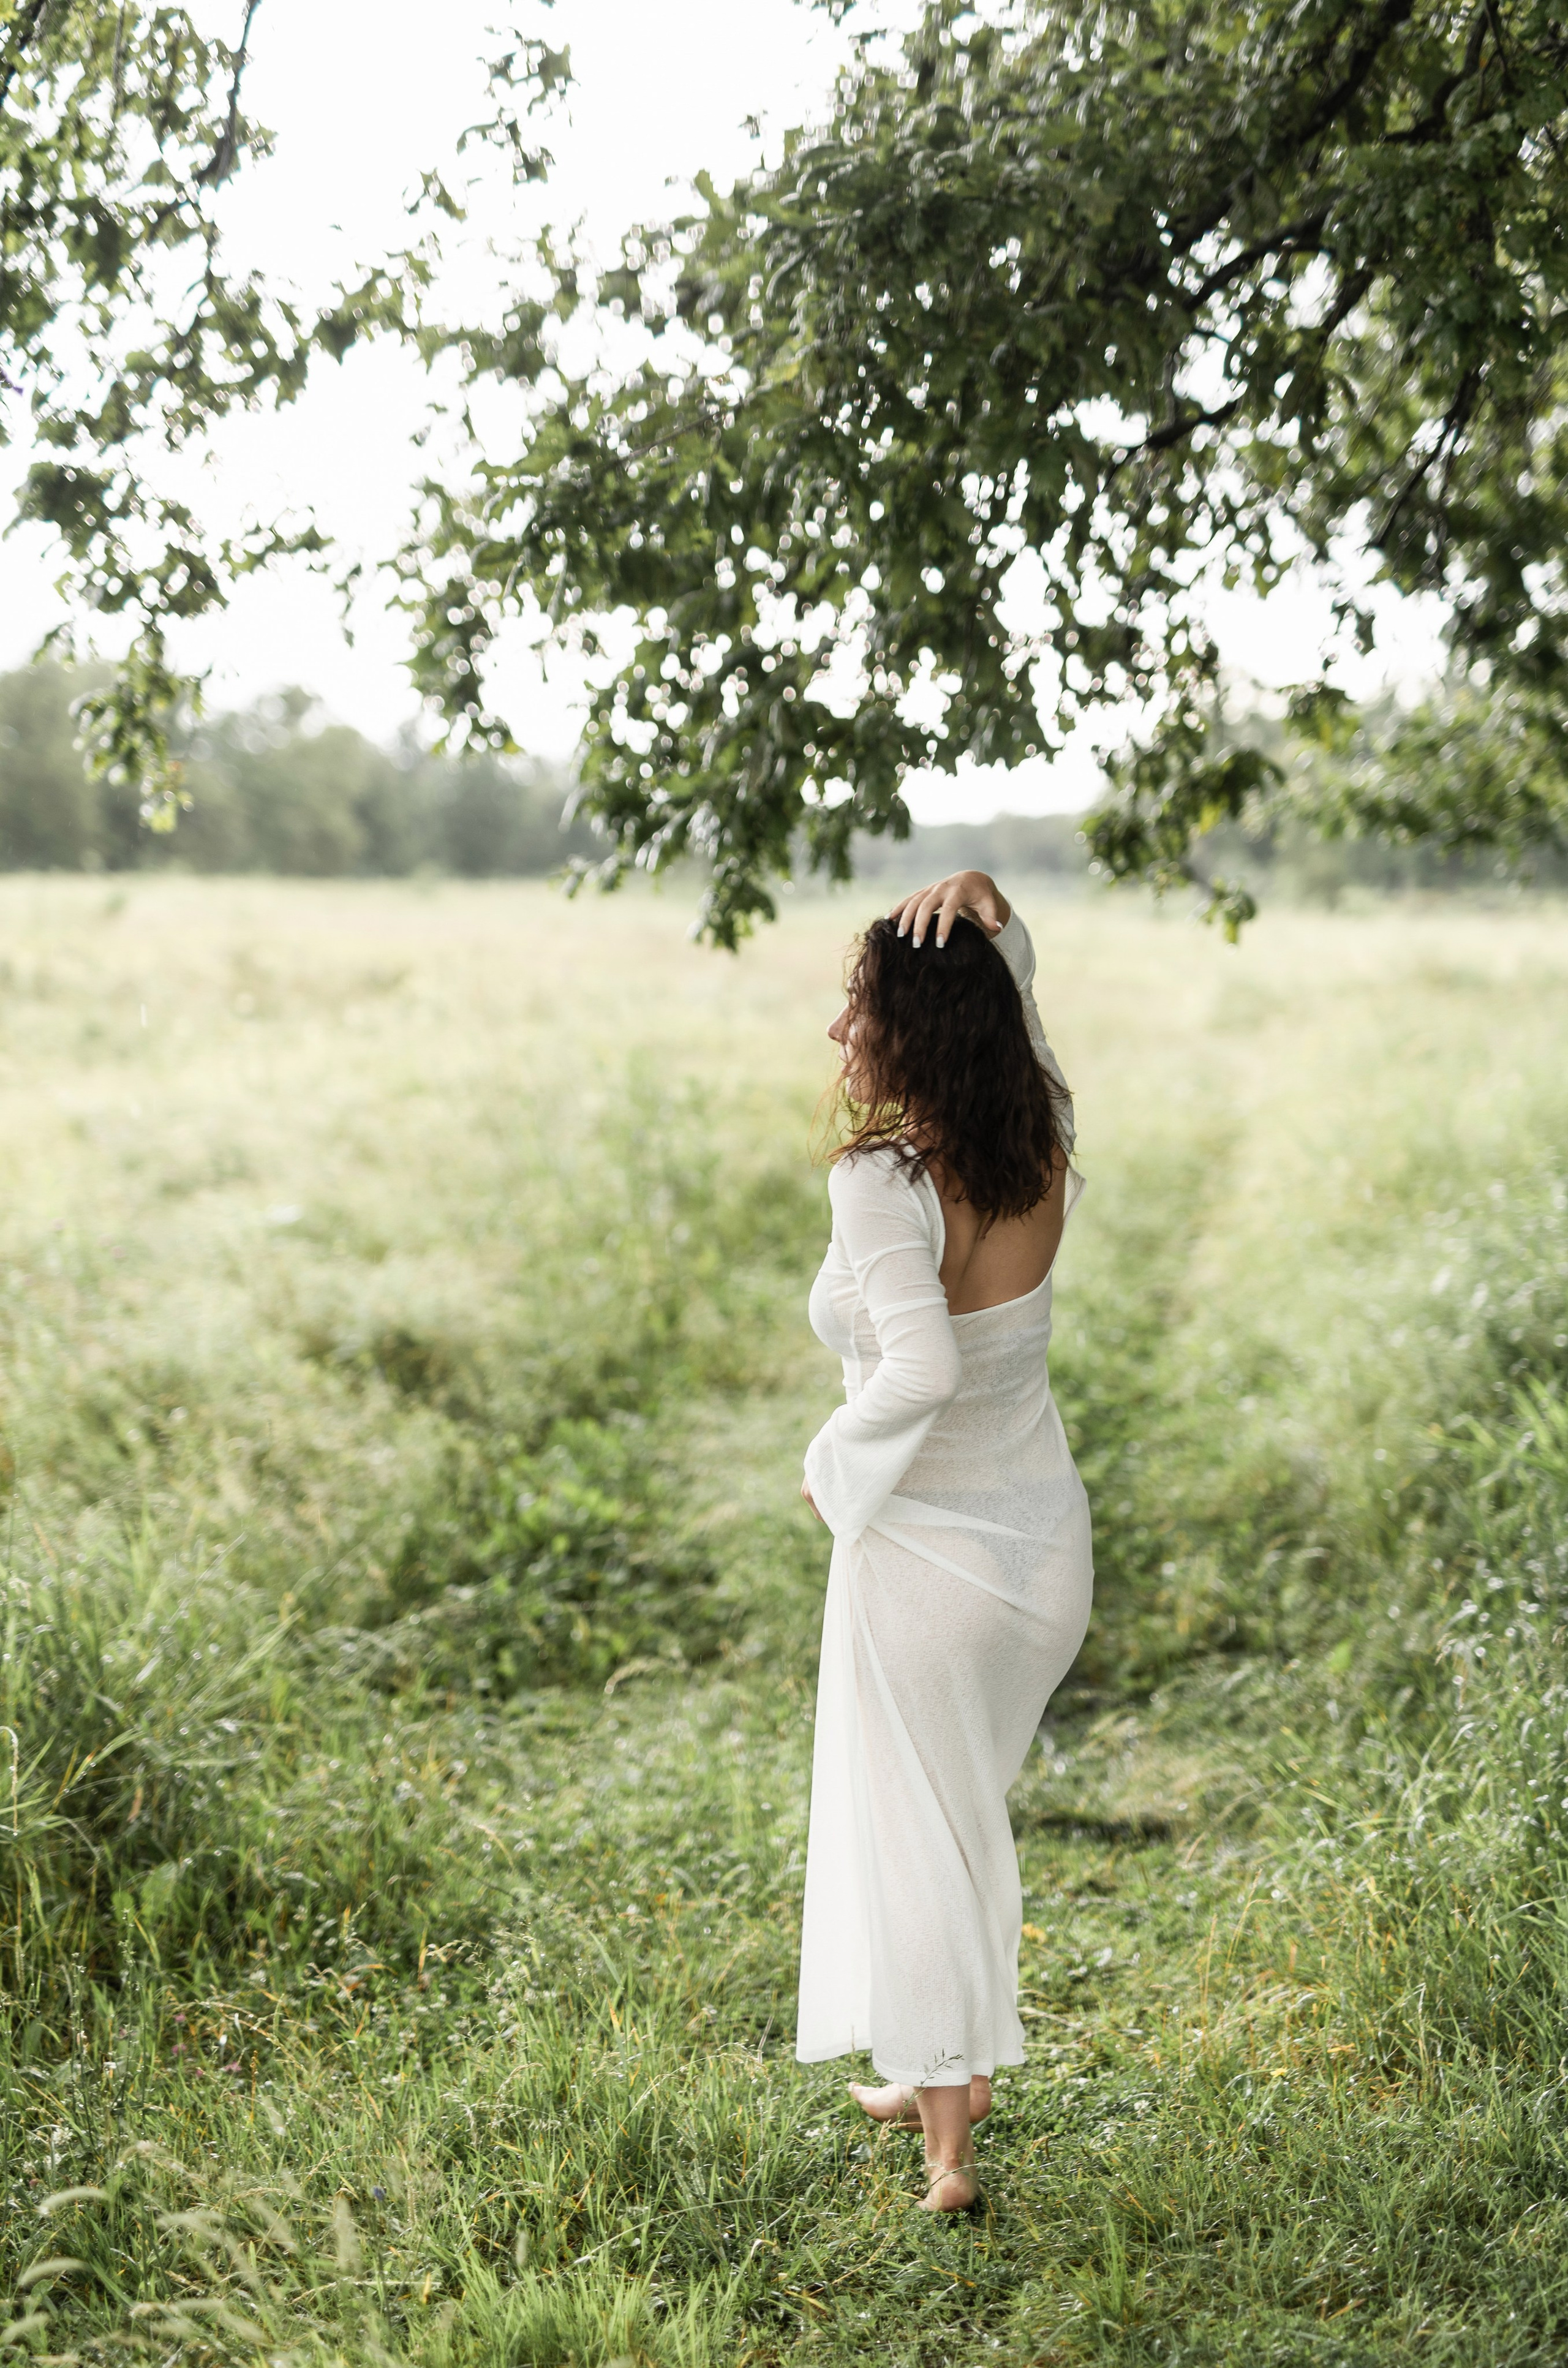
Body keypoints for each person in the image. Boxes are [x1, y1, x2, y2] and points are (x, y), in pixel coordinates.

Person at [796, 868, 1093, 2213]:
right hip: (1037, 1556)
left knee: (918, 1832)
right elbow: (1017, 1012)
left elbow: (911, 1372)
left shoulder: (880, 1179)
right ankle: (940, 2067)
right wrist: (993, 917)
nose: (838, 1033)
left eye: (856, 1007)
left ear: (910, 1029)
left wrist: (830, 1465)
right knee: (958, 1817)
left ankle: (947, 2154)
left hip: (927, 1560)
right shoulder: (1040, 1148)